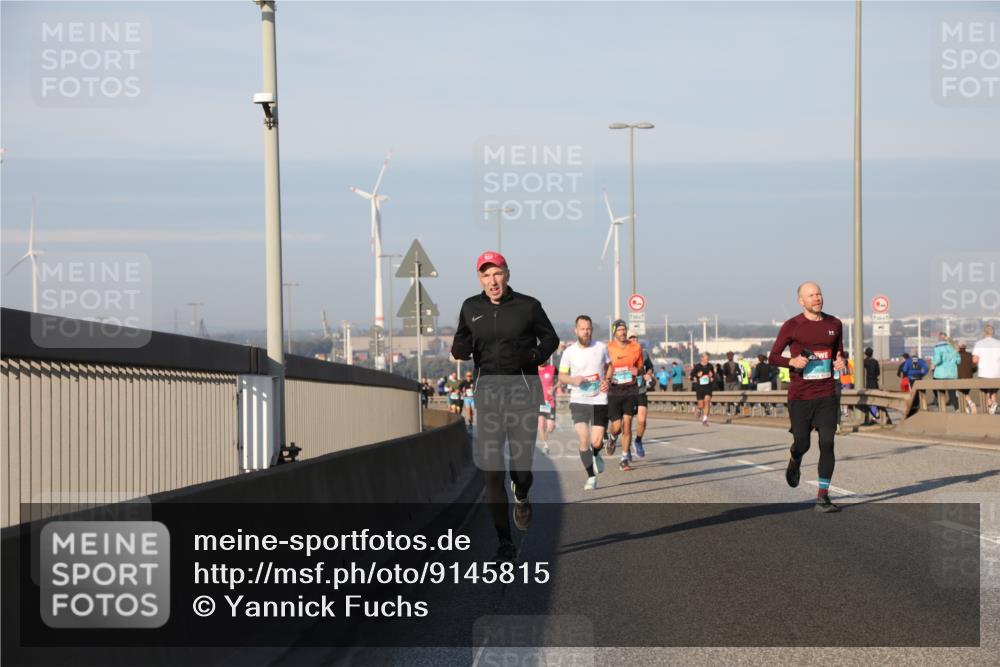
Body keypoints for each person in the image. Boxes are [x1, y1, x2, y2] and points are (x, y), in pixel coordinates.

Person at [451, 251, 559, 561]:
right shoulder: (471, 308)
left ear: (507, 274)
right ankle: (504, 542)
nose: (492, 280)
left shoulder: (528, 306)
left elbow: (550, 338)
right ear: (479, 279)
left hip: (523, 391)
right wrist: (459, 349)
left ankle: (522, 494)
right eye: (486, 275)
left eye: (496, 273)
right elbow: (462, 340)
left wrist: (536, 357)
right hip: (488, 395)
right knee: (491, 474)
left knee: (521, 469)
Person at [768, 281, 847, 513]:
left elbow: (838, 352)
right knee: (803, 442)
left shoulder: (835, 323)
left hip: (826, 394)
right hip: (800, 396)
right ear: (801, 301)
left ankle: (822, 497)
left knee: (827, 443)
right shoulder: (792, 325)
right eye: (811, 295)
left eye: (819, 294)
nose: (817, 298)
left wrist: (840, 360)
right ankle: (795, 458)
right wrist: (791, 361)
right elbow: (773, 356)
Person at [557, 315, 610, 490]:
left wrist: (607, 380)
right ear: (576, 330)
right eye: (582, 328)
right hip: (579, 400)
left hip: (599, 399)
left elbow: (609, 367)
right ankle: (591, 477)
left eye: (588, 328)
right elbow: (562, 376)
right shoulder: (569, 352)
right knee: (584, 439)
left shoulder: (601, 348)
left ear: (592, 330)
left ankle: (596, 454)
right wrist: (573, 380)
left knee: (596, 442)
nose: (586, 332)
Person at [605, 320, 643, 471]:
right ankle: (612, 438)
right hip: (614, 391)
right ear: (614, 332)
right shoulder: (608, 347)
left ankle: (624, 459)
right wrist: (606, 379)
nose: (622, 332)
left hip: (630, 390)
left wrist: (638, 372)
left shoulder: (636, 347)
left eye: (624, 329)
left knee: (627, 426)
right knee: (616, 427)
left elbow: (641, 368)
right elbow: (603, 367)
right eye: (619, 330)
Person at [628, 334, 655, 458]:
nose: (633, 340)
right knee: (626, 423)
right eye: (631, 338)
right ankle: (626, 448)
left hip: (641, 390)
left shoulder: (643, 353)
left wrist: (648, 374)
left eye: (635, 338)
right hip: (625, 392)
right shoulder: (621, 353)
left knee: (642, 420)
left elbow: (650, 368)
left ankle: (638, 441)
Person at [972, 324, 1000, 415]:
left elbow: (975, 359)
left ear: (984, 333)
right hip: (996, 372)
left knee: (986, 392)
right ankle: (993, 408)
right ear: (993, 333)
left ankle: (991, 405)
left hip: (984, 372)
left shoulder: (979, 343)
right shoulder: (998, 343)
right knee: (993, 391)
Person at [931, 332, 961, 411]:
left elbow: (937, 360)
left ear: (939, 338)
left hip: (940, 374)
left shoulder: (938, 347)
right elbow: (958, 361)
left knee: (940, 392)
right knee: (952, 394)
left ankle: (942, 410)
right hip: (952, 374)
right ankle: (957, 409)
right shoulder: (954, 347)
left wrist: (933, 362)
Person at [537, 358, 558, 455]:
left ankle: (551, 425)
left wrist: (554, 388)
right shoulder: (533, 371)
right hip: (538, 403)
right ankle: (545, 445)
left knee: (550, 428)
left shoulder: (552, 369)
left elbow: (561, 380)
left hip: (549, 403)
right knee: (541, 425)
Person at [690, 353, 716, 426]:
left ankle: (705, 420)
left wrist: (712, 376)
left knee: (707, 401)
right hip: (699, 387)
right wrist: (697, 375)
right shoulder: (697, 366)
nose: (707, 360)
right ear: (702, 358)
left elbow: (713, 376)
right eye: (705, 358)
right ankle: (697, 409)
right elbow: (691, 376)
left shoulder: (710, 366)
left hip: (708, 387)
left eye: (708, 359)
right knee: (701, 405)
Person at [956, 341, 977, 414]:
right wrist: (970, 373)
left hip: (959, 377)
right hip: (969, 377)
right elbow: (974, 367)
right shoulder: (970, 355)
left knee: (959, 393)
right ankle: (966, 408)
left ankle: (970, 404)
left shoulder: (956, 355)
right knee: (965, 393)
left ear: (958, 347)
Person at [863, 347, 881, 423]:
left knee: (867, 399)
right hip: (874, 382)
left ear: (865, 354)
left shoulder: (863, 362)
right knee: (874, 399)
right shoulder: (875, 362)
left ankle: (868, 416)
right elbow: (878, 372)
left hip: (866, 382)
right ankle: (874, 416)